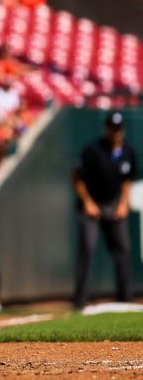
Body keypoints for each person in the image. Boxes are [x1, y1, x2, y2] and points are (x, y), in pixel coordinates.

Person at [73, 110, 136, 310]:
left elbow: (127, 181)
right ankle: (80, 301)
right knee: (88, 248)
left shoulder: (128, 152)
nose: (116, 133)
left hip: (114, 203)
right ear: (106, 129)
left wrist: (124, 203)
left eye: (118, 129)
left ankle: (125, 298)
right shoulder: (93, 150)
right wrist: (88, 202)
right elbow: (77, 177)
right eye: (112, 129)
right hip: (91, 204)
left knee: (124, 249)